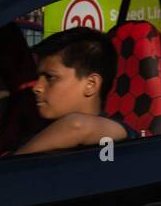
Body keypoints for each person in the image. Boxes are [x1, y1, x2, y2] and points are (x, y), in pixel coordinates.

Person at [13, 27, 133, 155]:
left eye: (50, 78)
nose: (37, 87)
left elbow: (76, 125)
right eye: (38, 77)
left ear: (91, 84)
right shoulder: (37, 130)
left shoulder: (118, 137)